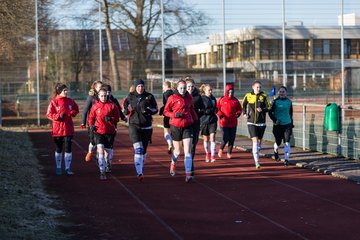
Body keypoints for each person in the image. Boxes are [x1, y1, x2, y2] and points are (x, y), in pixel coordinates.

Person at [122, 79, 158, 182]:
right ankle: (139, 172)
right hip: (134, 125)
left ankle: (140, 165)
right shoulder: (131, 96)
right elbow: (124, 106)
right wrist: (125, 111)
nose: (140, 88)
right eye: (138, 86)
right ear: (135, 87)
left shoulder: (149, 96)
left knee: (144, 150)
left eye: (142, 86)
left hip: (146, 126)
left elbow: (155, 109)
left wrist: (148, 110)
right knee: (138, 149)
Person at [164, 79, 198, 183]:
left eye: (184, 88)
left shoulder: (189, 97)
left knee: (187, 151)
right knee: (177, 151)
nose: (183, 90)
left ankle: (188, 175)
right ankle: (173, 164)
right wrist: (174, 115)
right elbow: (166, 111)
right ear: (177, 88)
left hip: (187, 126)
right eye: (181, 88)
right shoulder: (172, 98)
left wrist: (195, 120)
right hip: (175, 126)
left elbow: (192, 109)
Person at [46, 83, 79, 176]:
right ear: (59, 91)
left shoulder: (70, 101)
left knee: (68, 148)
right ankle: (58, 167)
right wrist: (58, 116)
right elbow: (49, 114)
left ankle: (68, 168)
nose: (66, 92)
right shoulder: (53, 102)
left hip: (68, 128)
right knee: (59, 148)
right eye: (64, 90)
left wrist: (73, 112)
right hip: (58, 130)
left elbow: (76, 109)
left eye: (66, 90)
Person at [88, 88, 120, 180]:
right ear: (98, 96)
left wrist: (111, 119)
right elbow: (91, 117)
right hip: (99, 131)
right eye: (101, 96)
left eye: (105, 96)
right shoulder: (95, 106)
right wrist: (91, 125)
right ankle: (102, 172)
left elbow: (117, 118)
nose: (103, 97)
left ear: (107, 95)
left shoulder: (112, 106)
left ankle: (108, 163)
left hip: (110, 132)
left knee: (108, 153)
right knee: (100, 150)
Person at [242, 80, 271, 169]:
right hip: (251, 122)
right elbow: (243, 105)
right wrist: (244, 113)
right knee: (255, 141)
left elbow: (269, 107)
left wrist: (262, 109)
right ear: (253, 87)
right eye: (257, 87)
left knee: (259, 142)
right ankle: (257, 161)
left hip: (261, 122)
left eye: (260, 87)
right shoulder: (248, 95)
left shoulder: (264, 96)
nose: (258, 89)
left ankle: (257, 153)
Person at [268, 86, 293, 166]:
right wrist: (275, 120)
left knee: (287, 142)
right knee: (278, 142)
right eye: (280, 92)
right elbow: (270, 113)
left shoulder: (289, 102)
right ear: (278, 93)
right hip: (277, 125)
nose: (282, 93)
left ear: (286, 93)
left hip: (287, 125)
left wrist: (291, 124)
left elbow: (290, 113)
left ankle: (286, 159)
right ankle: (275, 150)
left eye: (283, 91)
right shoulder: (275, 102)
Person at [216, 83, 242, 160]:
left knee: (232, 138)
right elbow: (217, 109)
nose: (230, 94)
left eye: (232, 92)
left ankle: (229, 152)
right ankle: (221, 149)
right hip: (223, 122)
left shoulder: (235, 100)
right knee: (225, 137)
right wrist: (220, 115)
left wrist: (239, 113)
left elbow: (239, 109)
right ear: (226, 92)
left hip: (233, 122)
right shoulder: (221, 99)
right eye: (229, 92)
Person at [185, 77, 204, 176]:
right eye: (188, 87)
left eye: (192, 86)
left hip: (195, 123)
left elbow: (203, 109)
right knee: (188, 145)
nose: (190, 88)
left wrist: (197, 115)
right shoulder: (182, 96)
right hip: (185, 124)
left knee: (193, 145)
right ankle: (190, 166)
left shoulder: (198, 97)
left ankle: (190, 161)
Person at [80, 80, 102, 162]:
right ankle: (90, 151)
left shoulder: (103, 96)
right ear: (95, 88)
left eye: (101, 87)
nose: (101, 89)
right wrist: (83, 122)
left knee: (100, 141)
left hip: (102, 123)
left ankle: (98, 156)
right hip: (92, 123)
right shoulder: (91, 97)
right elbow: (85, 110)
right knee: (94, 141)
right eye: (99, 87)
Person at [199, 84, 218, 162]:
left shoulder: (213, 98)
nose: (210, 91)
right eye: (209, 90)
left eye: (211, 90)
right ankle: (207, 154)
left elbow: (215, 107)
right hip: (204, 121)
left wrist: (216, 110)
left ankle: (213, 155)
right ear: (204, 91)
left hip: (212, 120)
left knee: (212, 137)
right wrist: (204, 111)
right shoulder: (201, 99)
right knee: (206, 139)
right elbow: (200, 110)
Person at [159, 80, 174, 154]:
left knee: (166, 131)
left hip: (167, 114)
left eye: (163, 87)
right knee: (173, 131)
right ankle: (174, 144)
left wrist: (162, 109)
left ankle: (169, 143)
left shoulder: (165, 94)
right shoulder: (174, 93)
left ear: (165, 86)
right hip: (174, 115)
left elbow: (166, 105)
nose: (162, 88)